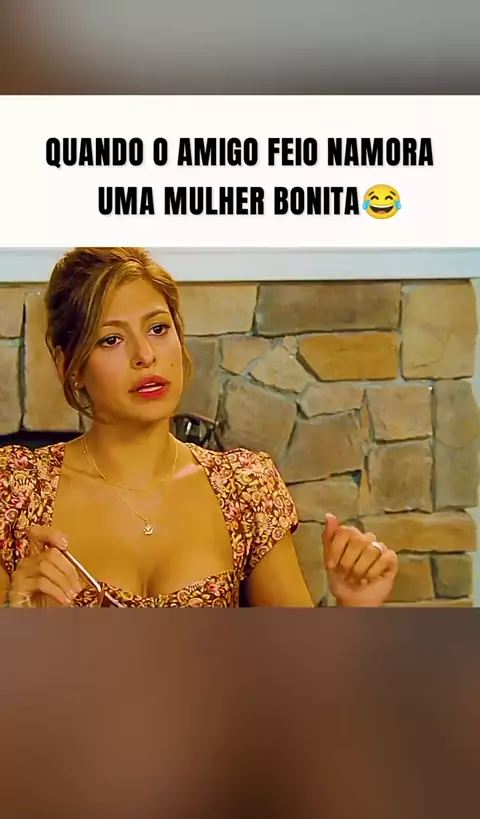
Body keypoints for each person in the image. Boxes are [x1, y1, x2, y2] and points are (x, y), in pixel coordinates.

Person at [0, 248, 398, 608]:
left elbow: (299, 661)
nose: (145, 355)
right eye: (111, 339)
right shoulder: (16, 489)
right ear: (69, 368)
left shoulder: (245, 487)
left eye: (158, 329)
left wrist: (355, 607)